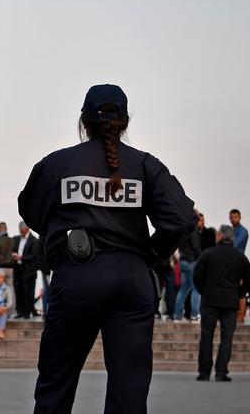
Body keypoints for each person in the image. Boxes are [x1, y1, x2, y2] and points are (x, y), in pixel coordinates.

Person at [18, 84, 196, 414]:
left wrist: (62, 234)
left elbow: (30, 209)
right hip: (132, 278)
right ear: (125, 121)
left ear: (84, 121)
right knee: (129, 391)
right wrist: (150, 253)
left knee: (56, 383)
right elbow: (182, 218)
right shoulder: (145, 166)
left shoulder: (58, 164)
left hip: (77, 274)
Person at [194, 225, 250, 381]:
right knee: (227, 337)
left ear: (219, 236)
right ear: (231, 238)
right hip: (230, 303)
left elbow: (197, 277)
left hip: (210, 300)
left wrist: (204, 292)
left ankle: (204, 373)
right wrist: (239, 294)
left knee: (206, 336)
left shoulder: (207, 254)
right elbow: (248, 280)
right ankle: (221, 372)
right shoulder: (240, 257)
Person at [11, 222, 40, 319]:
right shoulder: (16, 239)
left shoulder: (34, 240)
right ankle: (20, 311)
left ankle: (27, 312)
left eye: (23, 232)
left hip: (29, 270)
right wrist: (13, 255)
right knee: (18, 290)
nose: (21, 233)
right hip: (18, 269)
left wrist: (21, 258)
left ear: (27, 229)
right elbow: (13, 249)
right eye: (20, 231)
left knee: (27, 292)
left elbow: (34, 256)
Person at [0, 222, 15, 293]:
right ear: (6, 229)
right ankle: (11, 304)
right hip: (10, 268)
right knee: (10, 288)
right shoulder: (12, 240)